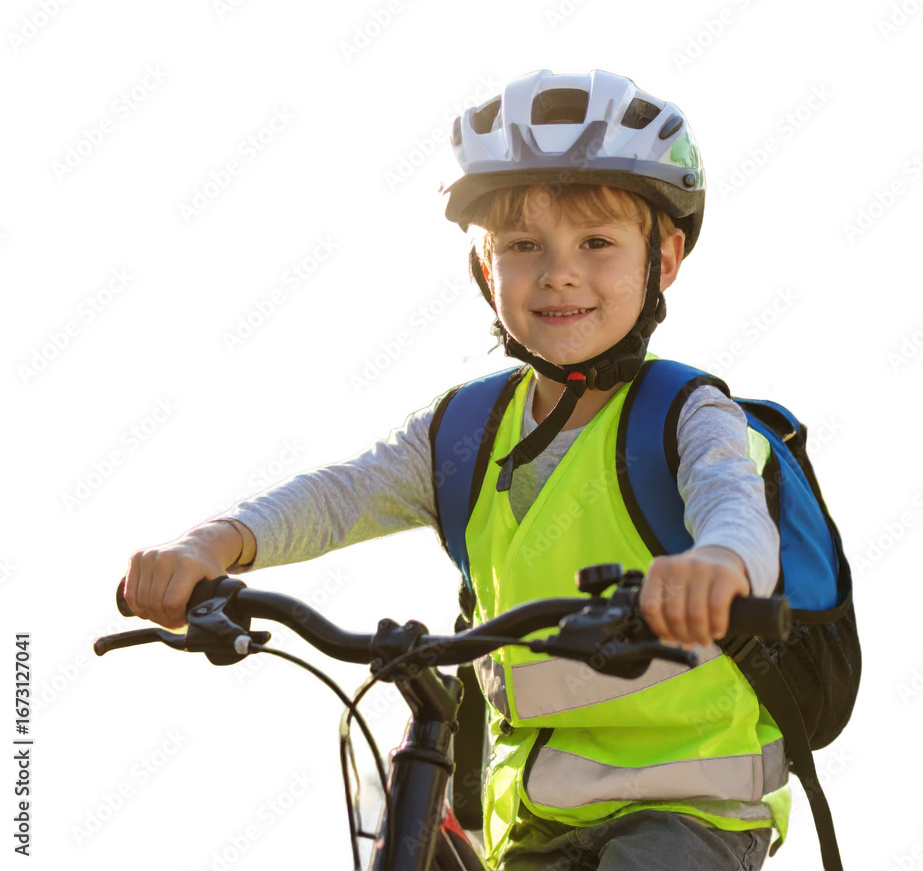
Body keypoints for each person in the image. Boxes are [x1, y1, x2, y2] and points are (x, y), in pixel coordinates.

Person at [124, 70, 786, 870]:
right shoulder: (465, 431)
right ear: (484, 268)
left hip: (688, 811)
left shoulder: (684, 411)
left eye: (598, 243)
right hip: (532, 816)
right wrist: (211, 545)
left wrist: (716, 568)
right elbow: (341, 494)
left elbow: (734, 508)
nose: (559, 272)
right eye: (522, 245)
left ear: (666, 258)